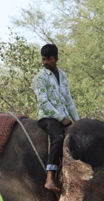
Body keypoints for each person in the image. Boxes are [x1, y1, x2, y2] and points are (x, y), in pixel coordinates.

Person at [31, 43, 80, 192]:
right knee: (58, 137)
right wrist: (61, 118)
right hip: (48, 117)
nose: (45, 62)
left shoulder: (63, 76)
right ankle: (50, 177)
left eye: (48, 59)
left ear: (56, 59)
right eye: (43, 59)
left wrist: (78, 121)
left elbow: (68, 100)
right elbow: (43, 103)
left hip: (64, 116)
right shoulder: (39, 78)